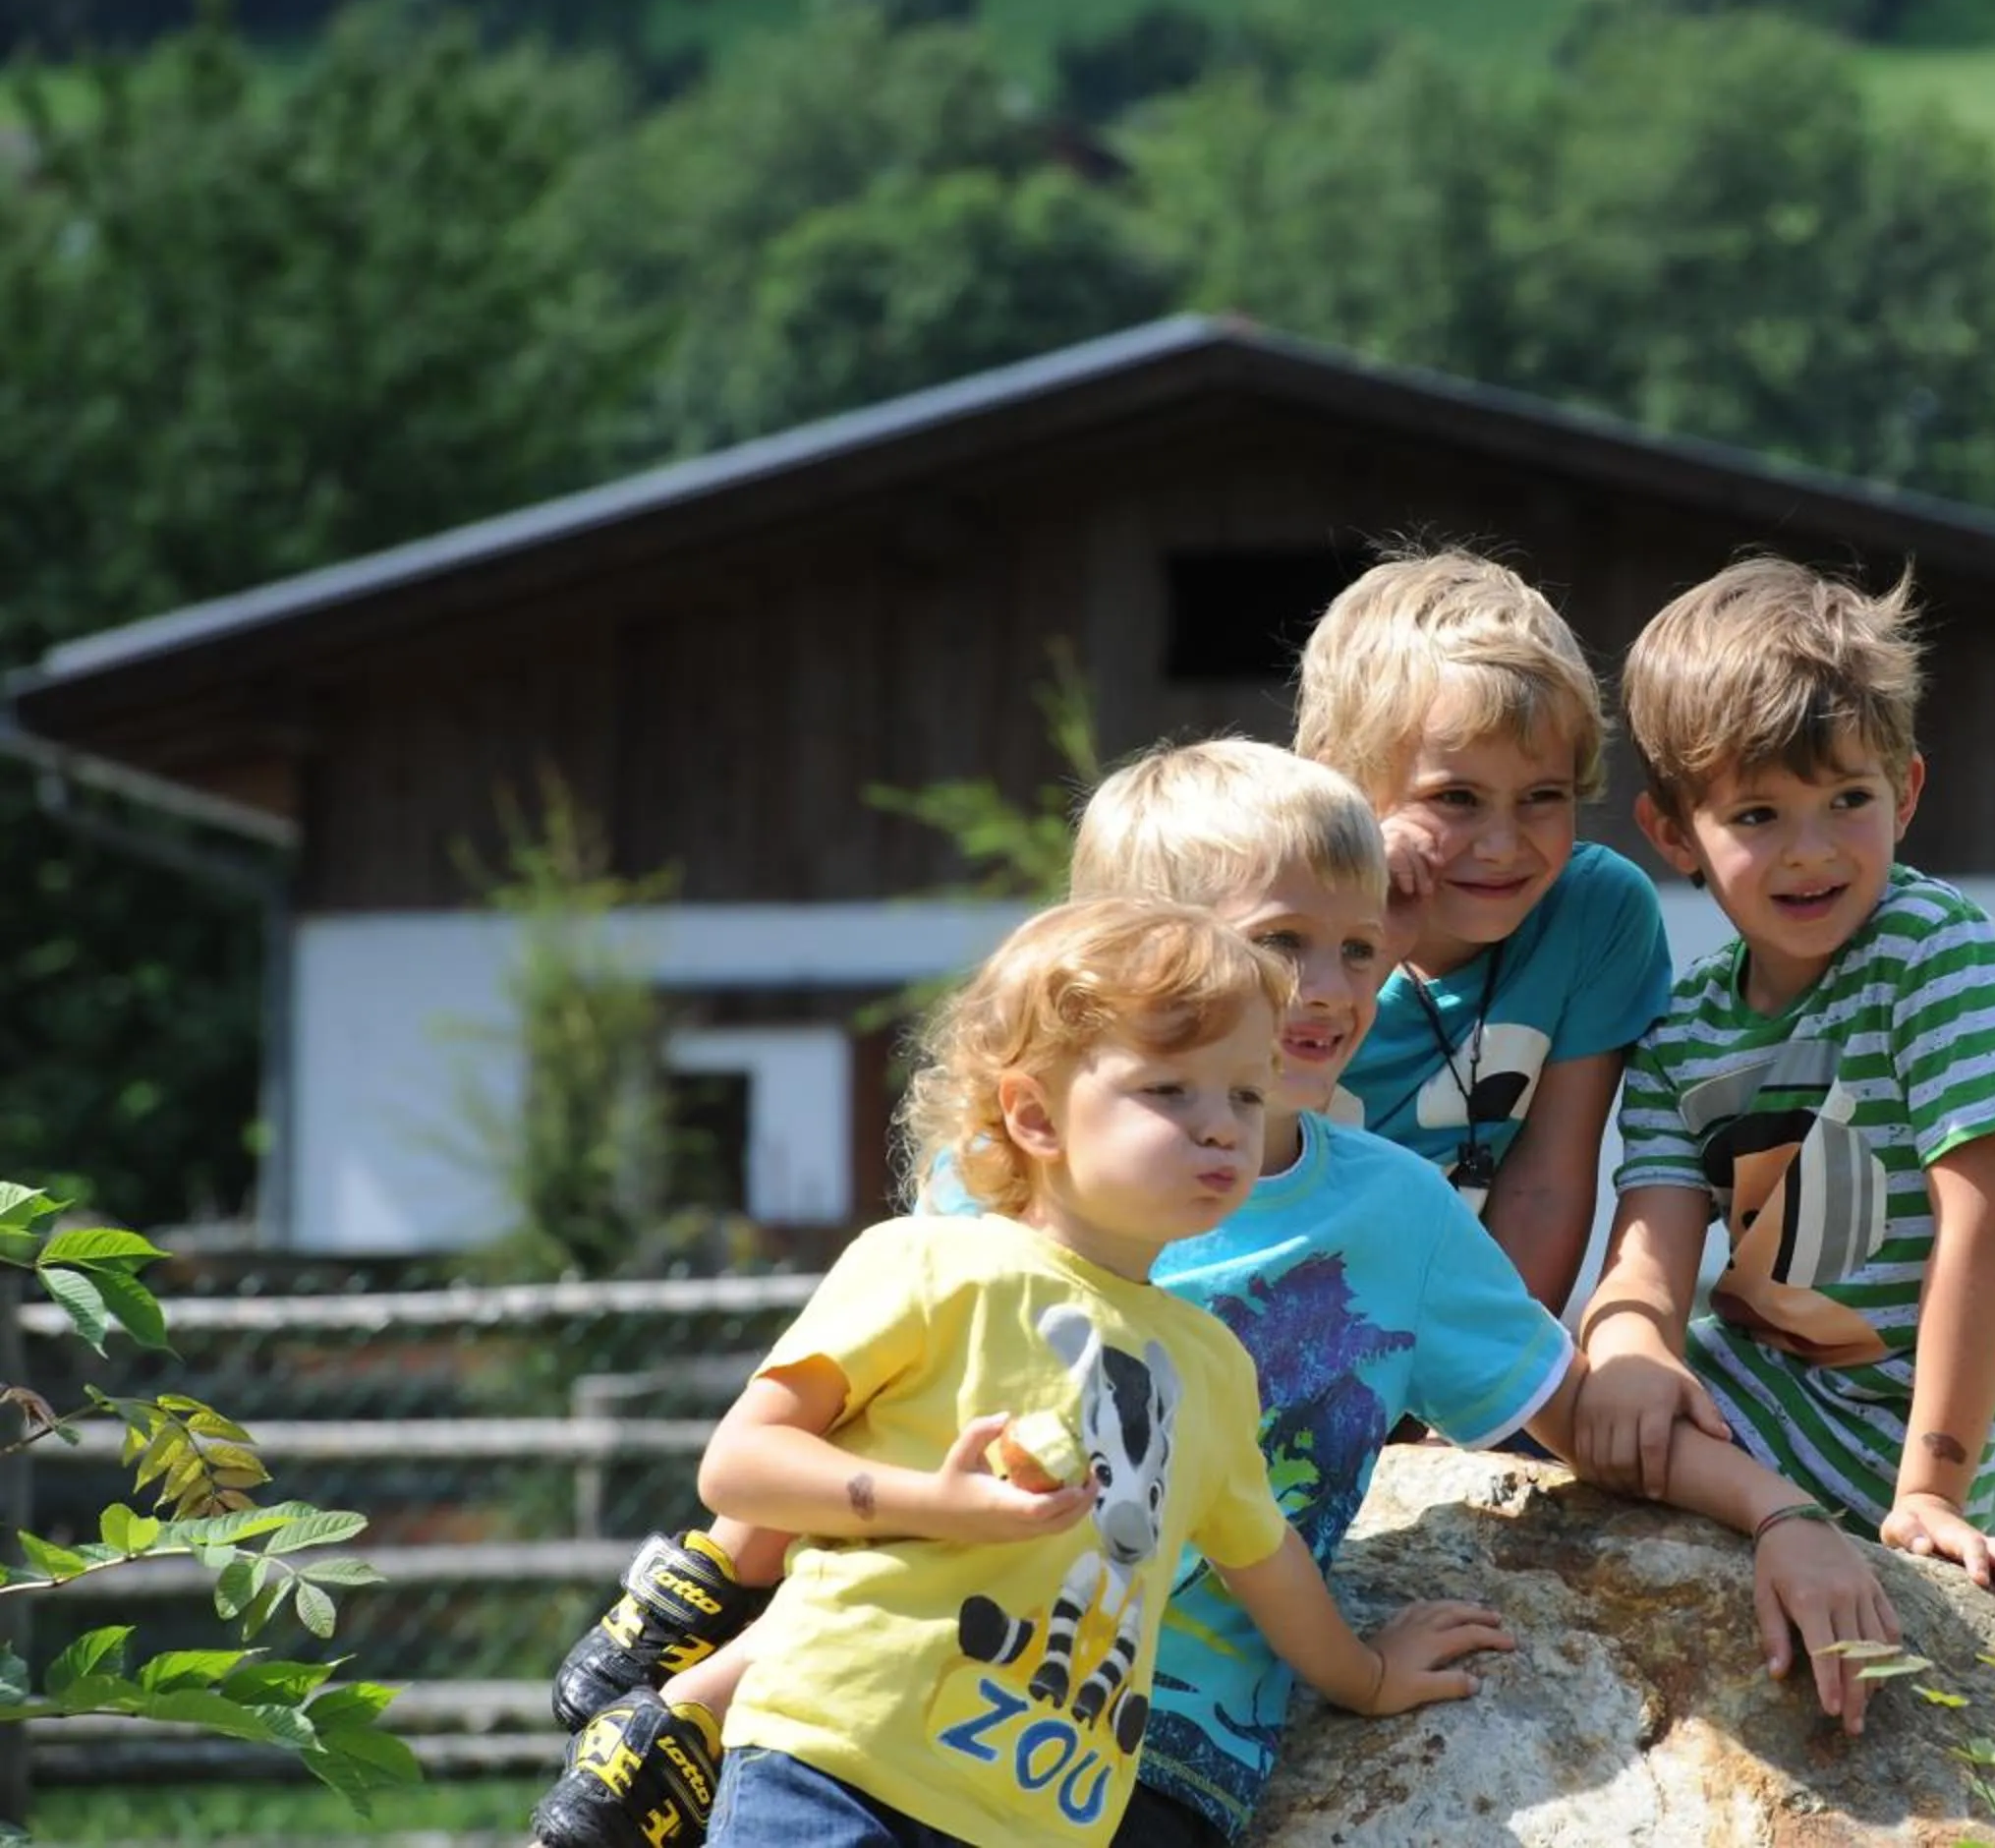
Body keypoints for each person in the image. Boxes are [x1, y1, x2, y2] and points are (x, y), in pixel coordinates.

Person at [537, 740, 1900, 1848]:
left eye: (1360, 947)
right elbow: (858, 1413)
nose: (1330, 989)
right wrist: (729, 1606)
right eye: (1280, 943)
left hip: (1154, 1754)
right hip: (901, 1692)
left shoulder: (1396, 1218)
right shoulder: (1013, 1188)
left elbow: (1585, 1414)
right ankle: (683, 1710)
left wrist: (1781, 1515)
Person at [533, 899, 1496, 1848]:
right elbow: (741, 1467)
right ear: (1035, 1114)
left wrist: (1370, 1678)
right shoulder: (929, 1264)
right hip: (835, 1757)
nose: (1222, 1128)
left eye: (1246, 1093)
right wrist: (934, 1502)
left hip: (1034, 1816)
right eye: (1170, 1090)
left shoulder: (1211, 1367)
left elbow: (1268, 1562)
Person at [1571, 556, 1995, 1609]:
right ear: (1673, 833)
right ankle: (1765, 1504)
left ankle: (1785, 1515)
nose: (1811, 851)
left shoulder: (1938, 955)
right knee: (1540, 1382)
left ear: (1906, 792)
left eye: (1848, 799)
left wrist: (1931, 1490)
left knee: (1546, 1410)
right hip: (1744, 1403)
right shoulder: (1680, 1029)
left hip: (1887, 1442)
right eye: (1757, 815)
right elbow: (1649, 1254)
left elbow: (1987, 1224)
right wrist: (1629, 1345)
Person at [1292, 547, 1674, 1317]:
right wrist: (1367, 944)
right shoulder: (1272, 921)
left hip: (1453, 1330)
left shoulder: (1595, 912)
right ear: (1341, 784)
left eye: (1542, 796)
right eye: (1456, 798)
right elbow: (1246, 1129)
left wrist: (1494, 1371)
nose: (1502, 846)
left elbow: (1545, 1185)